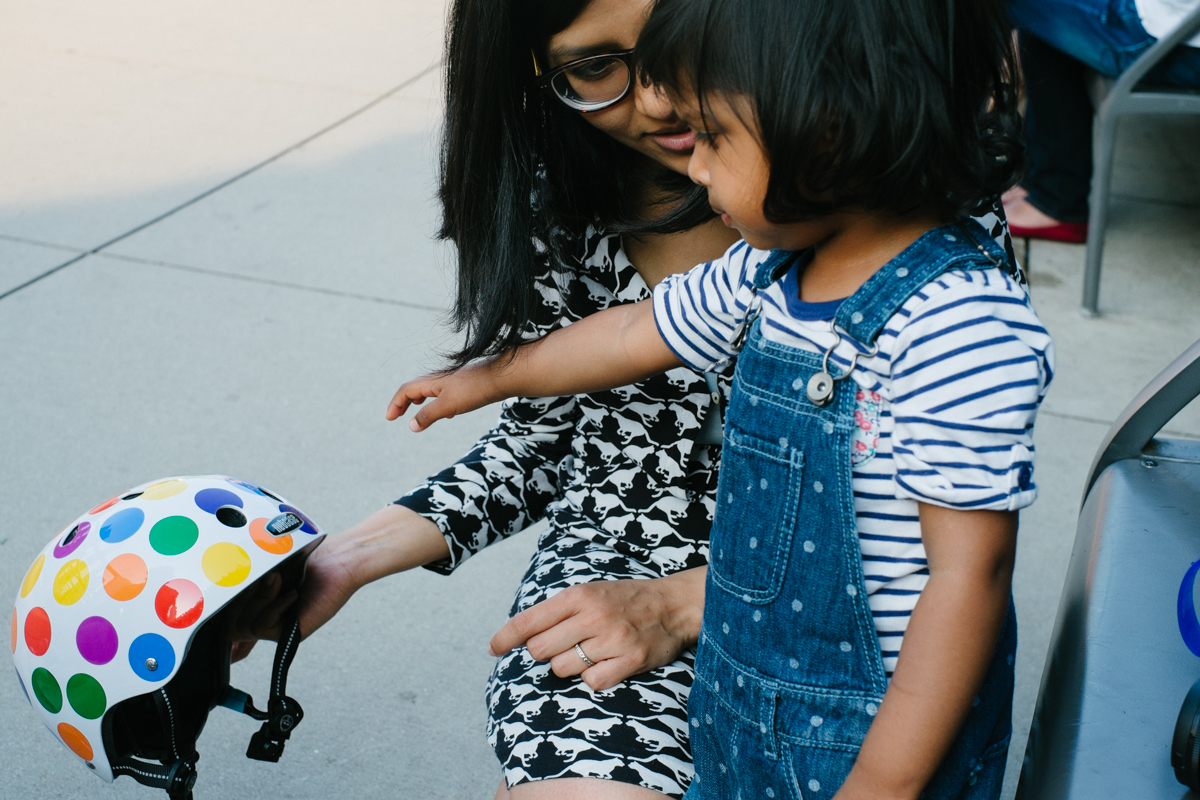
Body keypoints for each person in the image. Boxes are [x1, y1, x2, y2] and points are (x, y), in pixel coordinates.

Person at [387, 0, 1053, 798]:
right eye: (597, 66)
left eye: (713, 135)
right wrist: (491, 377)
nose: (694, 165)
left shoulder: (959, 319)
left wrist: (880, 784)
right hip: (740, 688)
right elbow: (631, 332)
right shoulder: (767, 266)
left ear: (824, 125)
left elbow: (969, 578)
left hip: (864, 712)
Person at [233, 0, 739, 797]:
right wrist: (345, 559)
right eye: (595, 67)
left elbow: (919, 518)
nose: (660, 97)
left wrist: (685, 603)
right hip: (612, 574)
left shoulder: (885, 187)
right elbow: (547, 441)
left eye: (683, 38)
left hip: (849, 594)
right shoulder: (556, 197)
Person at [1005, 0, 1200, 242]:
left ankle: (1056, 200)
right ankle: (1041, 181)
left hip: (1180, 42)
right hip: (1182, 28)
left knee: (1028, 5)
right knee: (1050, 11)